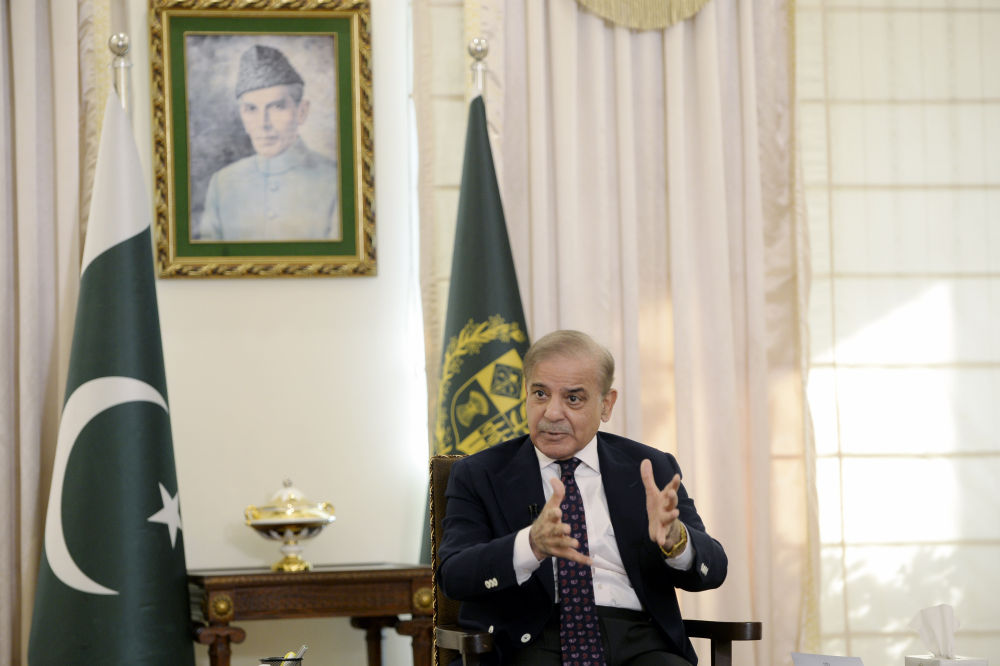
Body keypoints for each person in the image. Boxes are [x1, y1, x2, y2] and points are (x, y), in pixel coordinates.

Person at [438, 330, 727, 665]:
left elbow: (715, 568)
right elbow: (454, 575)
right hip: (530, 642)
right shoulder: (481, 474)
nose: (552, 413)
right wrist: (529, 545)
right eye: (540, 394)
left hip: (641, 642)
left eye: (573, 398)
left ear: (606, 404)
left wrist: (677, 540)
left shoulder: (650, 468)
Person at [197, 44, 339, 241]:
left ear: (302, 111)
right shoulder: (222, 184)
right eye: (251, 109)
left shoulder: (336, 181)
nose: (263, 124)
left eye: (277, 107)